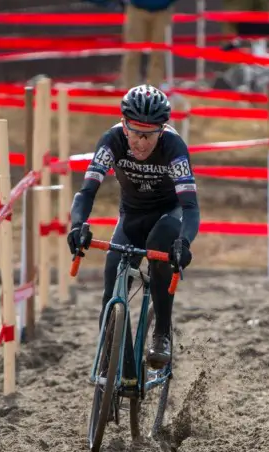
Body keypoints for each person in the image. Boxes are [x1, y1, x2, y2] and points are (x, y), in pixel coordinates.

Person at [67, 84, 200, 374]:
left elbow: (190, 207)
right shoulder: (111, 141)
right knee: (111, 286)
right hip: (131, 217)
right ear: (124, 126)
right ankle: (123, 369)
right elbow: (86, 192)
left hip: (167, 215)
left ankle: (162, 334)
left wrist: (184, 242)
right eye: (135, 132)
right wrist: (77, 226)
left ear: (161, 130)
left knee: (160, 246)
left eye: (148, 135)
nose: (140, 142)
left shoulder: (174, 148)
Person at [121, 0, 180, 88]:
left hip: (163, 11)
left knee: (159, 53)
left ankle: (154, 87)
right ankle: (129, 87)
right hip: (136, 9)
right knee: (132, 52)